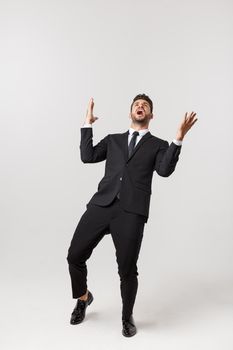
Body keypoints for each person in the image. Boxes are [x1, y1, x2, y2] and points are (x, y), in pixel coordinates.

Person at [66, 94, 197, 337]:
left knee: (127, 270)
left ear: (151, 115)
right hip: (101, 205)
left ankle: (127, 317)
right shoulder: (114, 140)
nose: (140, 107)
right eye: (137, 105)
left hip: (131, 212)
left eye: (145, 106)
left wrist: (178, 138)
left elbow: (165, 170)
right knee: (74, 255)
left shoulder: (158, 144)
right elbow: (87, 156)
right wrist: (87, 123)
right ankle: (83, 298)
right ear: (130, 113)